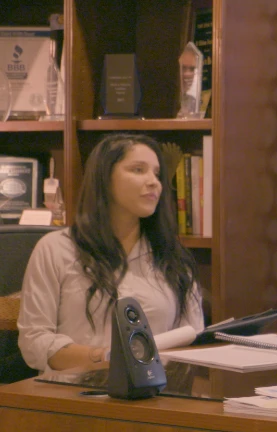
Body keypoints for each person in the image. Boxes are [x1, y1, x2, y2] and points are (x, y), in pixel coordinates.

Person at [18, 133, 204, 372]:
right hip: (74, 395)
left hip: (156, 395)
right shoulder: (56, 248)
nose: (153, 182)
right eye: (138, 170)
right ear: (104, 178)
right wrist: (105, 357)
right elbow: (34, 341)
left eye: (157, 174)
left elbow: (193, 337)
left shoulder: (172, 256)